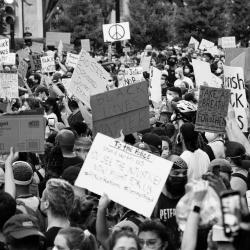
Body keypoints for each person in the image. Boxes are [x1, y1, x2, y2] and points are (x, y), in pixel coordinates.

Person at [153, 155, 188, 250]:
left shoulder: (188, 199)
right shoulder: (154, 199)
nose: (181, 177)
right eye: (176, 173)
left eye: (184, 173)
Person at [40, 178, 75, 248]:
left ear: (46, 204)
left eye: (42, 197)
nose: (40, 199)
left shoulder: (42, 241)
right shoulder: (79, 235)